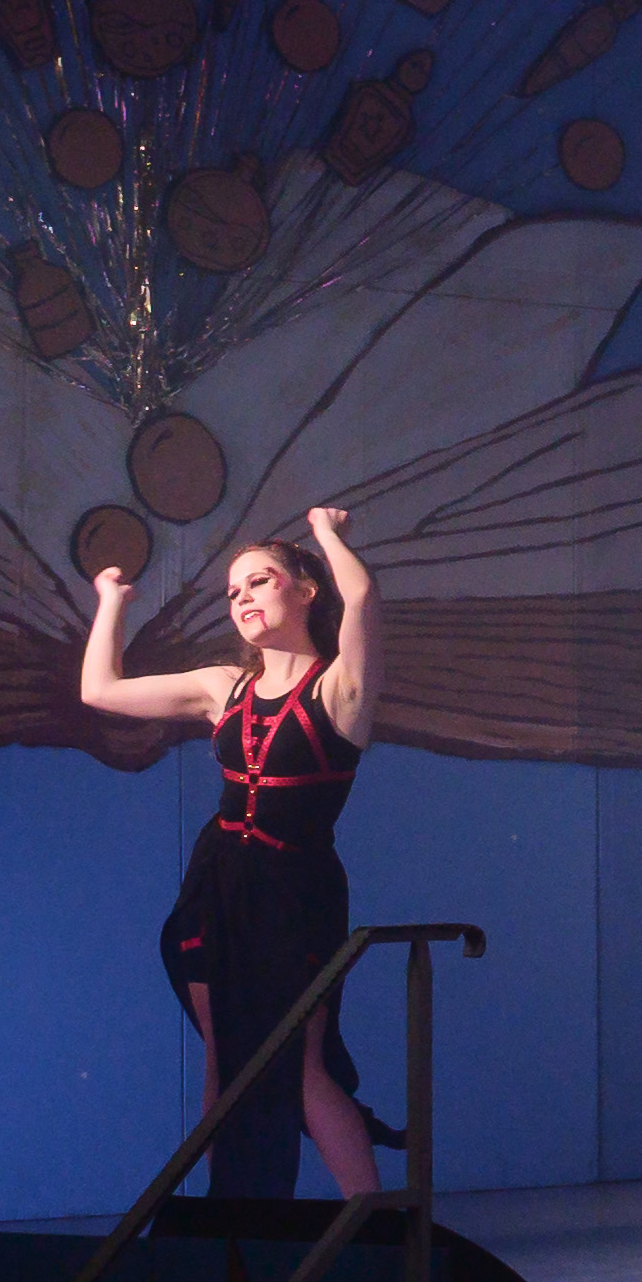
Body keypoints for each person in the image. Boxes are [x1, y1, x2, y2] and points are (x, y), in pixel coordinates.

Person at [81, 508, 387, 1201]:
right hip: (218, 883)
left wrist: (327, 534)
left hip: (295, 895)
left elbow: (364, 596)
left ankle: (379, 1220)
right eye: (233, 591)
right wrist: (111, 603)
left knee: (300, 1064)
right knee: (227, 1064)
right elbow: (98, 690)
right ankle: (230, 1223)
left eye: (260, 581)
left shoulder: (340, 689)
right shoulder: (224, 686)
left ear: (305, 589)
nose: (243, 597)